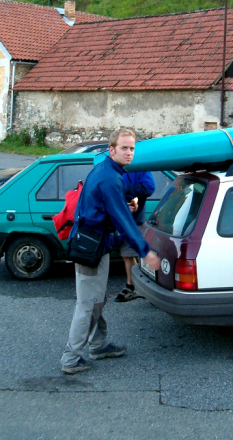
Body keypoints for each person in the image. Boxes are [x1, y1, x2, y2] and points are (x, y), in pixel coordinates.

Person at [60, 128, 161, 374]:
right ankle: (71, 358)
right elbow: (123, 220)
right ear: (112, 150)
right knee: (87, 303)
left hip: (98, 244)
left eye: (132, 148)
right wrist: (145, 251)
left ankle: (97, 344)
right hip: (90, 247)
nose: (129, 152)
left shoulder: (108, 171)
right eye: (124, 148)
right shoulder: (110, 178)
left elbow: (103, 207)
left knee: (97, 299)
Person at [115, 170, 156, 302]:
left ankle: (132, 287)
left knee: (129, 254)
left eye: (130, 149)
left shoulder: (140, 167)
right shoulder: (113, 168)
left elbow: (149, 187)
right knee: (127, 255)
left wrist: (124, 189)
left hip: (133, 220)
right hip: (119, 219)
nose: (128, 153)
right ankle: (136, 286)